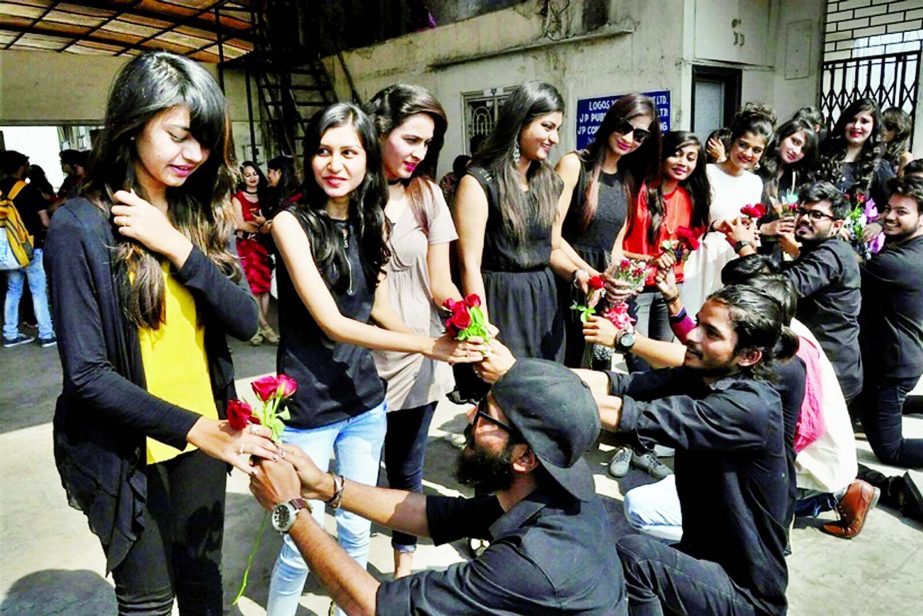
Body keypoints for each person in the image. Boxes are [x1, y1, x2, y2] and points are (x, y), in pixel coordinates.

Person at [44, 50, 280, 615]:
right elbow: (87, 375)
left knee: (203, 584)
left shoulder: (196, 213)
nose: (193, 154)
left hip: (202, 439)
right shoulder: (79, 227)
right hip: (122, 447)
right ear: (133, 122)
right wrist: (202, 430)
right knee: (148, 600)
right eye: (178, 135)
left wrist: (176, 245)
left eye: (202, 140)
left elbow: (247, 320)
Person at [267, 102, 482, 616]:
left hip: (365, 403)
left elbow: (377, 306)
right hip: (307, 408)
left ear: (367, 158)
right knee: (300, 542)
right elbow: (333, 322)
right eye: (323, 151)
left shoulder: (370, 222)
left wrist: (445, 342)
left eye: (348, 152)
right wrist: (429, 345)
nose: (334, 164)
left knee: (357, 533)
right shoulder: (290, 224)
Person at [249, 358, 628, 615]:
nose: (469, 415)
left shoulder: (530, 562)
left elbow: (375, 607)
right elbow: (439, 515)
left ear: (525, 458)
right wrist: (325, 486)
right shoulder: (555, 496)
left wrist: (291, 510)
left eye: (486, 415)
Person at [583, 285, 792, 616]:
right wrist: (521, 371)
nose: (691, 336)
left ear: (749, 356)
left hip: (746, 595)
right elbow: (620, 386)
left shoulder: (750, 407)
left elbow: (629, 414)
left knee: (636, 556)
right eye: (698, 323)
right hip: (703, 556)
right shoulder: (702, 376)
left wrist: (528, 387)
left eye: (710, 332)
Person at [366, 83, 463, 577]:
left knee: (406, 468)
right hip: (361, 356)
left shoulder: (427, 196)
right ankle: (349, 560)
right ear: (378, 129)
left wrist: (467, 317)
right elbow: (369, 298)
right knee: (356, 472)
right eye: (409, 139)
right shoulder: (348, 191)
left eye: (426, 143)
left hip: (421, 357)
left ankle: (403, 566)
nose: (418, 153)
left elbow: (441, 281)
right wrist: (421, 341)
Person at [454, 81, 574, 363]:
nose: (554, 138)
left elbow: (553, 248)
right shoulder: (479, 182)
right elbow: (468, 264)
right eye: (547, 126)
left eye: (557, 128)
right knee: (505, 392)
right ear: (520, 123)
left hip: (545, 300)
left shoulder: (549, 182)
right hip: (502, 301)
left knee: (548, 385)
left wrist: (580, 276)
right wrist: (480, 329)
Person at [554, 93, 662, 369]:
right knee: (564, 366)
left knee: (596, 369)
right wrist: (592, 276)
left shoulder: (628, 178)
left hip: (602, 288)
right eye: (624, 127)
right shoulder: (574, 164)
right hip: (566, 279)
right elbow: (552, 236)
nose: (629, 138)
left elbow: (614, 245)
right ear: (611, 120)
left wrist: (620, 281)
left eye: (639, 135)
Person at [621, 130, 709, 364]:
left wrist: (677, 255)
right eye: (677, 155)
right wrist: (651, 260)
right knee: (638, 356)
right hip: (637, 287)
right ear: (662, 156)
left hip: (670, 286)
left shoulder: (692, 197)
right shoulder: (637, 192)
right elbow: (616, 246)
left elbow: (690, 243)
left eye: (691, 158)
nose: (683, 163)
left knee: (663, 359)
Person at [681, 104, 775, 316]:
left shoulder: (755, 183)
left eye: (756, 150)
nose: (747, 153)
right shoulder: (707, 172)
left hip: (735, 257)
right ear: (732, 140)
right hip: (703, 256)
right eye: (743, 144)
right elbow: (688, 221)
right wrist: (715, 226)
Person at [855, 175, 923, 469]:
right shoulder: (909, 249)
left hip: (891, 370)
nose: (889, 217)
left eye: (901, 212)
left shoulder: (895, 264)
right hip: (898, 359)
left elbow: (847, 274)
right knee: (864, 407)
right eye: (888, 208)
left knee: (890, 450)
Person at [1, 150, 55, 348]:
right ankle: (47, 334)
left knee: (13, 290)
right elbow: (45, 222)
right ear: (22, 167)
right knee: (38, 290)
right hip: (30, 248)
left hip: (9, 251)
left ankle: (10, 334)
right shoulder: (29, 190)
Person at [819, 98, 894, 217]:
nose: (856, 126)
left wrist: (878, 224)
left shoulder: (879, 167)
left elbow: (892, 205)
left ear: (874, 126)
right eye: (852, 120)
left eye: (864, 121)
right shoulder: (824, 156)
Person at [755, 119, 818, 259]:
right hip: (750, 251)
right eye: (795, 141)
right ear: (781, 137)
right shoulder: (756, 169)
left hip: (782, 254)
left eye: (804, 149)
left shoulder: (798, 178)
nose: (796, 151)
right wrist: (764, 229)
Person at [232, 161, 277, 345]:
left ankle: (258, 327)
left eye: (255, 174)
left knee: (264, 286)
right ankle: (265, 327)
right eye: (247, 175)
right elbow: (240, 224)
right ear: (242, 178)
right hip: (246, 246)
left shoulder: (266, 195)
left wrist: (261, 226)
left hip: (263, 246)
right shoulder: (237, 198)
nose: (252, 178)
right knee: (252, 288)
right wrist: (263, 227)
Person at [881, 106, 914, 176]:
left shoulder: (905, 157)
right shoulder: (880, 151)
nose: (883, 130)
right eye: (881, 125)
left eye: (888, 126)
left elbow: (902, 183)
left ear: (899, 131)